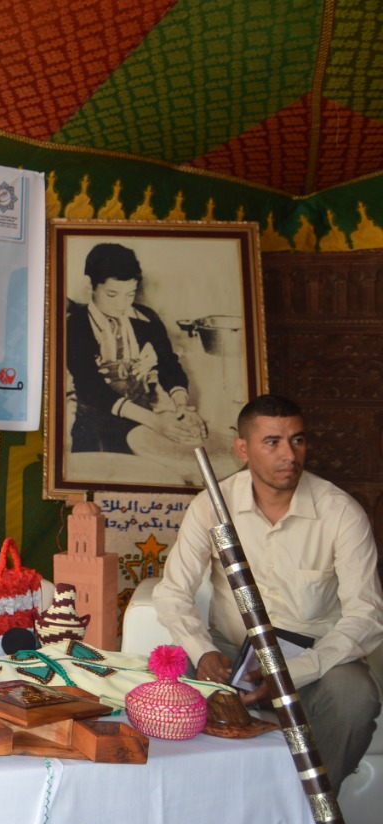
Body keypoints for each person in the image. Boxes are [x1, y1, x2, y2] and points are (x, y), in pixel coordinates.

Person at [153, 394, 383, 793]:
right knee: (171, 686)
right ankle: (204, 805)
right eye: (272, 442)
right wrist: (203, 652)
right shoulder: (212, 505)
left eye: (298, 440)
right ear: (243, 449)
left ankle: (306, 808)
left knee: (355, 697)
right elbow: (172, 593)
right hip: (232, 653)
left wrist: (299, 670)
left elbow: (367, 614)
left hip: (314, 659)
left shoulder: (341, 512)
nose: (289, 455)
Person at [66, 242, 206, 461]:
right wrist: (155, 421)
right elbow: (91, 388)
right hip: (94, 430)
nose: (122, 304)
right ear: (90, 285)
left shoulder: (146, 319)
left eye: (130, 294)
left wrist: (181, 406)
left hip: (142, 422)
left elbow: (168, 365)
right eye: (112, 294)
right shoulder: (75, 326)